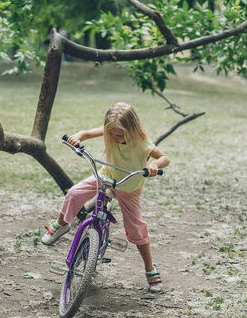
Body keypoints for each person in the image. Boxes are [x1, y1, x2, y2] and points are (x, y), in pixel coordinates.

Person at [41, 102, 170, 292]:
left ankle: (150, 268)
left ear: (132, 129)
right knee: (74, 193)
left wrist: (155, 165)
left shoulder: (141, 141)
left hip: (129, 187)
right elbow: (87, 133)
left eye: (120, 135)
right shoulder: (110, 131)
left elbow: (164, 158)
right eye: (112, 134)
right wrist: (79, 136)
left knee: (136, 229)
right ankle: (61, 225)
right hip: (106, 176)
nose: (115, 138)